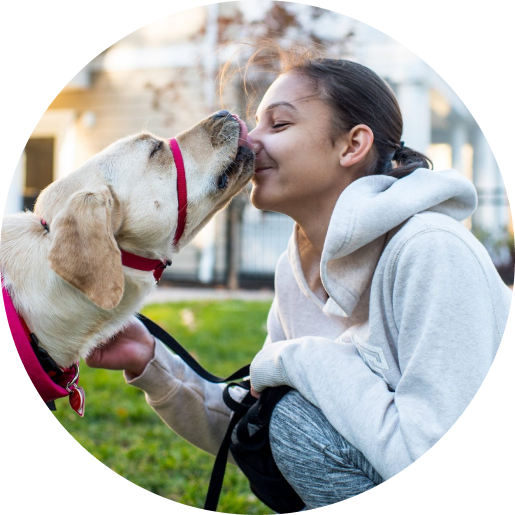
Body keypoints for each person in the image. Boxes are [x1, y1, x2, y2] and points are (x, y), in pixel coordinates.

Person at [86, 47, 512, 509]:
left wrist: (303, 361)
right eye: (256, 124)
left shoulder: (431, 251)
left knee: (293, 420)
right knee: (287, 421)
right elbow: (254, 420)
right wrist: (151, 362)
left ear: (352, 145)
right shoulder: (297, 269)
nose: (249, 141)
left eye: (280, 124)